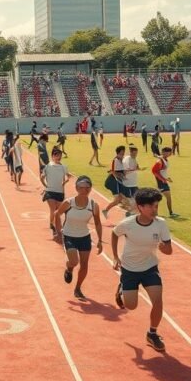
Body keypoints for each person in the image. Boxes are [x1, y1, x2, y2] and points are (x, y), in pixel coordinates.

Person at [111, 188, 173, 352]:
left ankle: (152, 333)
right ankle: (122, 290)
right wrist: (116, 257)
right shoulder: (128, 224)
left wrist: (163, 247)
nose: (155, 210)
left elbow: (169, 250)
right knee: (131, 306)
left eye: (156, 206)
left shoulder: (161, 224)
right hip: (129, 269)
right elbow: (114, 233)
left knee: (158, 300)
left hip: (150, 267)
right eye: (151, 207)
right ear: (140, 207)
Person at [52, 176, 103, 301]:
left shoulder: (93, 205)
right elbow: (57, 214)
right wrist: (58, 232)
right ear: (76, 188)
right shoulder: (69, 203)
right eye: (82, 187)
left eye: (88, 188)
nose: (85, 190)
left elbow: (97, 223)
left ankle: (78, 289)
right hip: (69, 235)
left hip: (84, 237)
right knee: (74, 261)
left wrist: (100, 241)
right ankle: (69, 268)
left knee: (84, 265)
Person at [103, 146, 140, 219]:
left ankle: (106, 210)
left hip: (119, 181)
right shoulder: (115, 160)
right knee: (123, 198)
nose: (123, 155)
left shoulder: (122, 160)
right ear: (118, 153)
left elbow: (123, 171)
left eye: (123, 153)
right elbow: (113, 172)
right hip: (113, 182)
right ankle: (130, 212)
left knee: (118, 200)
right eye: (121, 153)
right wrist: (121, 176)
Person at [40, 147, 70, 236]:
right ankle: (52, 226)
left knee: (58, 212)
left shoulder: (64, 167)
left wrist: (65, 181)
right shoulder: (48, 167)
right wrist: (45, 186)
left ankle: (53, 224)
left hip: (60, 192)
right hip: (50, 192)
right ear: (52, 156)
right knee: (53, 210)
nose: (59, 158)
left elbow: (68, 176)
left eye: (60, 156)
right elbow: (42, 177)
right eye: (57, 156)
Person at [151, 147, 177, 217]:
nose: (171, 153)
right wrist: (162, 179)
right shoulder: (160, 161)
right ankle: (169, 213)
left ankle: (155, 213)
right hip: (161, 182)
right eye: (169, 152)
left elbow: (162, 172)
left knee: (158, 198)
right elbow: (154, 171)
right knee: (162, 198)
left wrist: (167, 178)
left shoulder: (164, 159)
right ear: (165, 152)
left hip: (163, 181)